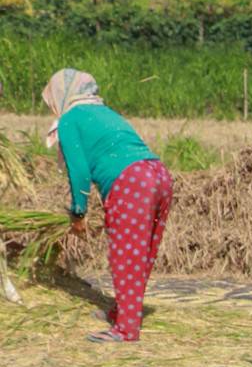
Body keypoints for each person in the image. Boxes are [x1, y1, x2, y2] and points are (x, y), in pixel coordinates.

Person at [42, 69, 173, 345]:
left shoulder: (70, 119)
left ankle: (126, 330)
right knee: (142, 253)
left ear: (60, 95)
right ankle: (126, 312)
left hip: (132, 182)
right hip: (159, 175)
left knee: (124, 255)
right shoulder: (106, 113)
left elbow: (79, 172)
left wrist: (78, 213)